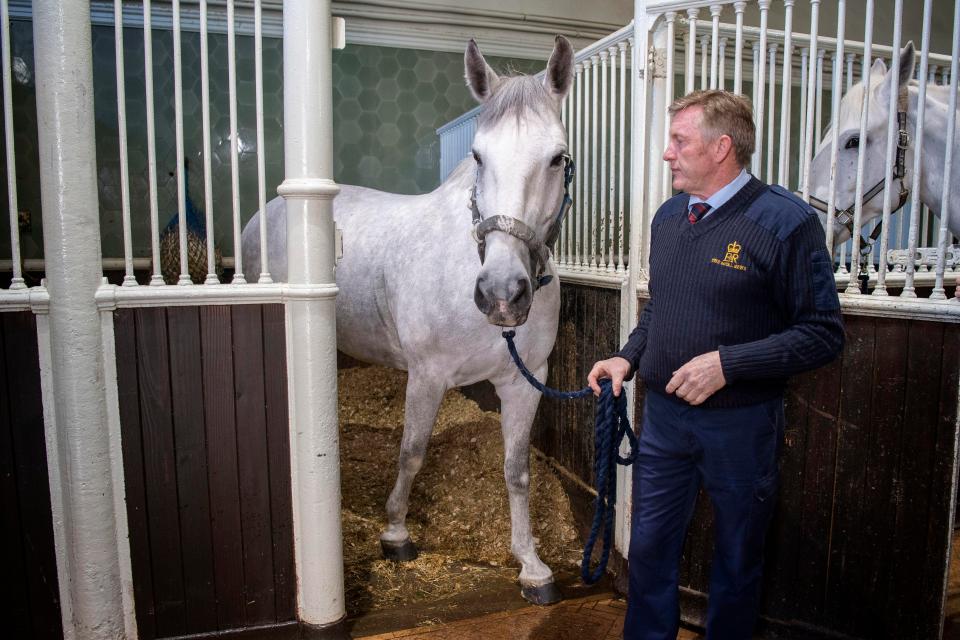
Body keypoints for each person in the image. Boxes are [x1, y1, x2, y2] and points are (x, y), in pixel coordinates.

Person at [587, 90, 844, 640]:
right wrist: (626, 358)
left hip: (742, 424)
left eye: (680, 141)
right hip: (664, 421)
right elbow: (662, 308)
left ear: (721, 146)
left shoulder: (785, 221)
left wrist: (729, 364)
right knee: (650, 550)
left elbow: (822, 333)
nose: (667, 154)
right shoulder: (668, 218)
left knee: (736, 558)